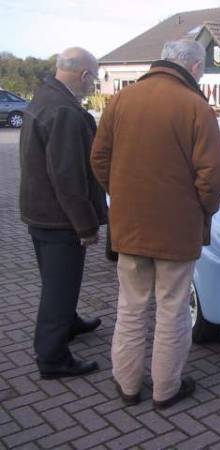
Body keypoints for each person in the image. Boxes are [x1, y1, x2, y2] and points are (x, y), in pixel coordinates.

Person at [91, 39, 220, 409]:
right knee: (172, 309)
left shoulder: (121, 100)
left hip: (130, 227)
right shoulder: (196, 107)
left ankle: (128, 385)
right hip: (176, 232)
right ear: (196, 67)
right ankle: (166, 389)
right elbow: (214, 175)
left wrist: (122, 194)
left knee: (131, 307)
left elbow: (99, 158)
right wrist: (200, 209)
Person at [19, 47, 107, 379]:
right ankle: (53, 357)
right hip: (59, 219)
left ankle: (69, 323)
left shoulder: (44, 98)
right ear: (84, 76)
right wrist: (86, 226)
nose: (93, 86)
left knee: (57, 282)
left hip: (39, 212)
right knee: (59, 288)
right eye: (94, 79)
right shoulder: (65, 112)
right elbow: (69, 177)